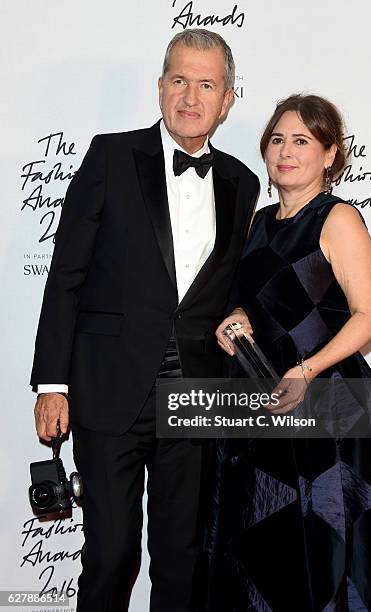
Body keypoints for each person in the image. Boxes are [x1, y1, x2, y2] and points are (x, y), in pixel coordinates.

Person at [30, 29, 260, 612]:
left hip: (196, 395)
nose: (190, 96)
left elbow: (228, 282)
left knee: (181, 555)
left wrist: (239, 310)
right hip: (109, 389)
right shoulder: (110, 155)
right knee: (112, 554)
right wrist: (52, 383)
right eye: (179, 80)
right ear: (160, 88)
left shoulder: (242, 182)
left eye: (206, 84)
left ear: (228, 98)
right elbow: (66, 277)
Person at [208, 94, 371, 611]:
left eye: (301, 140)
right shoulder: (256, 223)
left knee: (330, 548)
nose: (286, 151)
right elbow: (266, 301)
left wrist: (306, 370)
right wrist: (240, 321)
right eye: (277, 139)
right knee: (265, 547)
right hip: (265, 405)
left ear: (329, 153)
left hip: (331, 407)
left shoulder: (337, 218)